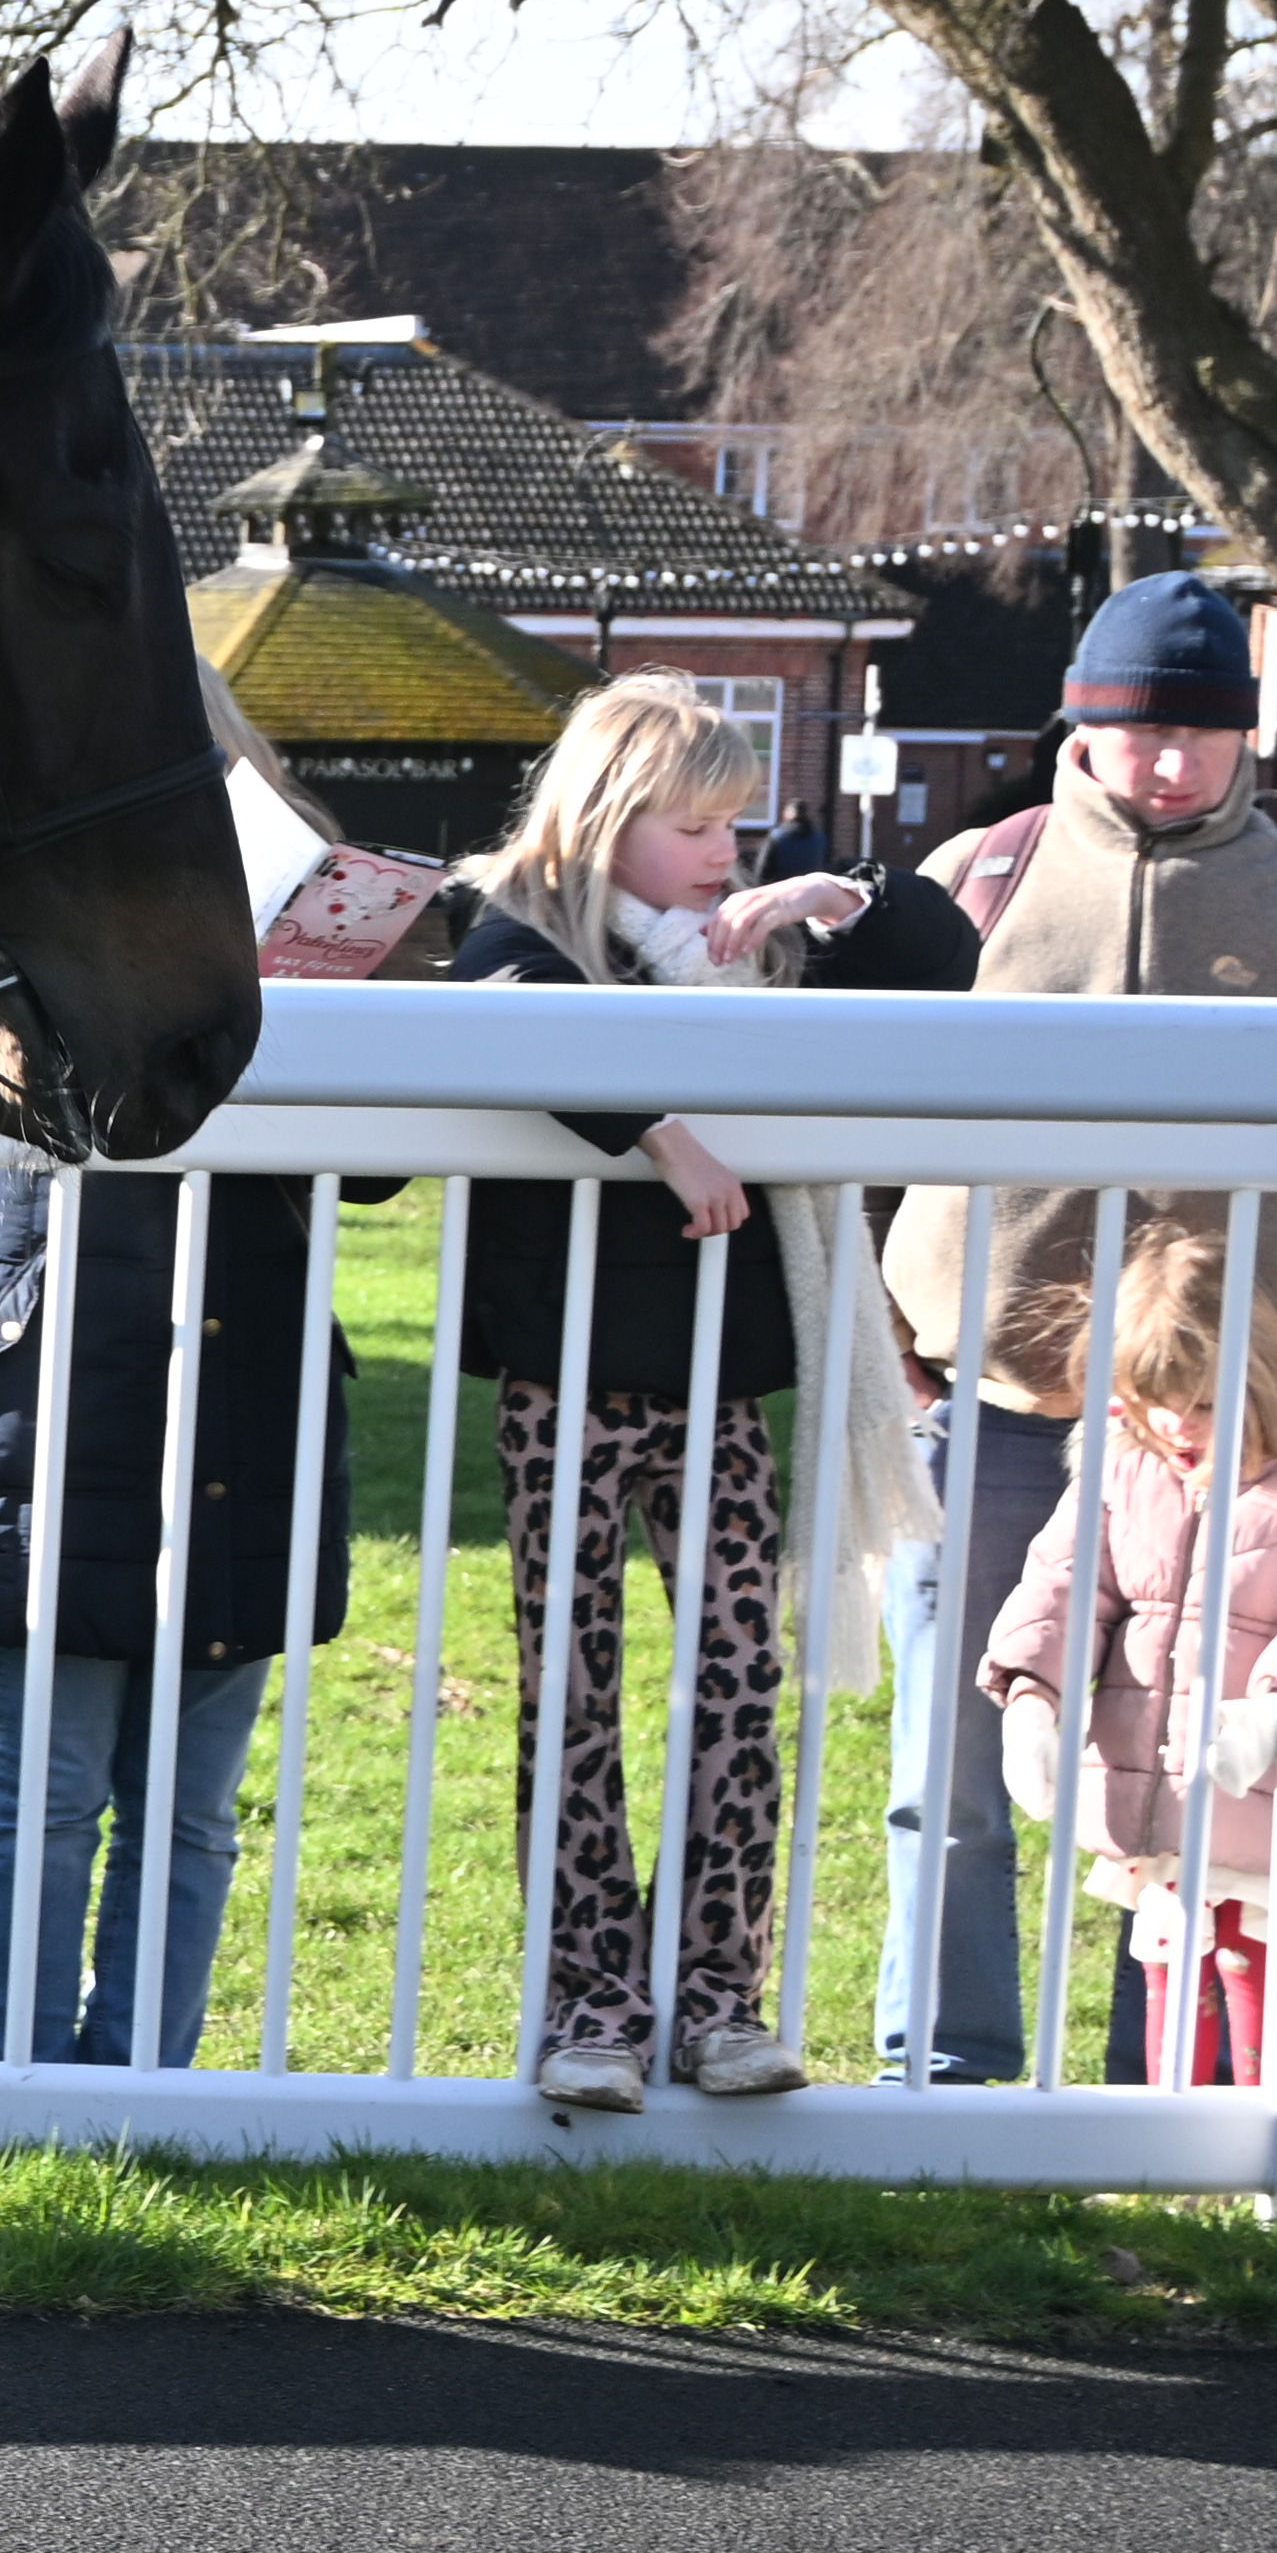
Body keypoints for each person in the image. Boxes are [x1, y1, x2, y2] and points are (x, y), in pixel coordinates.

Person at [446, 675, 974, 2109]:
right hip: (565, 1380)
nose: (720, 851)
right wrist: (660, 1132)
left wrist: (834, 898)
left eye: (735, 822)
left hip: (722, 1384)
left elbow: (948, 960)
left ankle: (717, 1998)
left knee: (738, 1684)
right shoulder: (521, 926)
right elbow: (503, 1009)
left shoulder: (759, 952)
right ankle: (591, 2004)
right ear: (606, 818)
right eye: (691, 825)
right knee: (574, 1697)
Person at [879, 572, 1277, 2083]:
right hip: (1001, 1396)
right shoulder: (982, 876)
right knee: (957, 1757)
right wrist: (911, 1323)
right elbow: (868, 1095)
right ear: (1078, 728)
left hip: (1238, 1433)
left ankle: (1184, 2076)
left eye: (1206, 736)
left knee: (1216, 1769)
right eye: (1143, 733)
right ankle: (948, 2066)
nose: (1173, 764)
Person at [0, 1165, 374, 2069]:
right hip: (56, 1387)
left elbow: (376, 1172)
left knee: (190, 1811)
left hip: (249, 1385)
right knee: (50, 1795)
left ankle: (144, 2086)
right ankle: (25, 2086)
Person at [981, 1230, 1277, 2088]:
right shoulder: (1128, 1472)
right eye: (1149, 1402)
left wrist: (1270, 1713)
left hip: (1266, 1799)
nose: (1172, 1427)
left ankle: (1267, 2151)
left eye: (1197, 1404)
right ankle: (1165, 2152)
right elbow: (1064, 1584)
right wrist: (1033, 1699)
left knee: (1252, 1963)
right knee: (1170, 1957)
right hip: (1157, 1798)